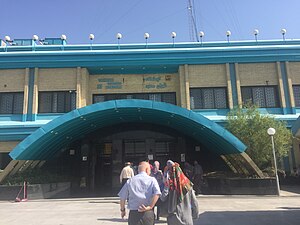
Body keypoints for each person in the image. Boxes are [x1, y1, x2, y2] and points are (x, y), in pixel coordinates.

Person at [160, 160, 199, 225]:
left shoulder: (170, 186)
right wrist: (195, 215)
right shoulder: (187, 185)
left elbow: (162, 198)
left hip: (173, 220)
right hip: (187, 219)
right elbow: (194, 202)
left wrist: (166, 185)